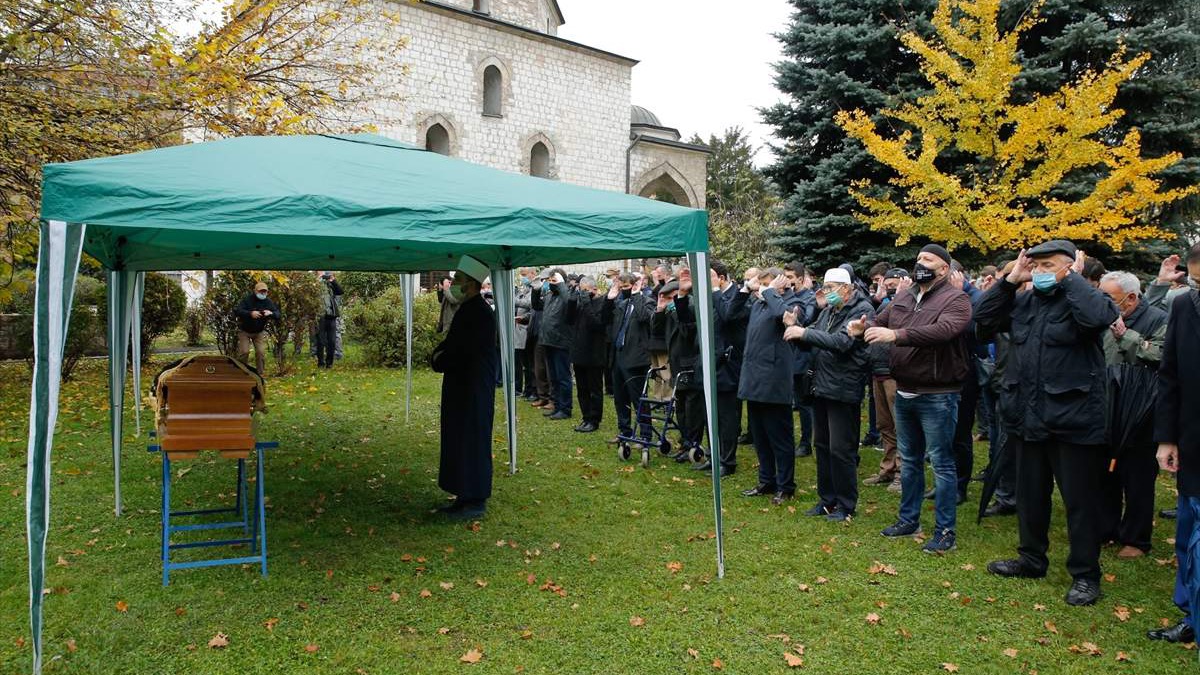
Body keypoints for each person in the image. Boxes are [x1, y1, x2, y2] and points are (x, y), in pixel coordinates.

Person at [975, 241, 1117, 606]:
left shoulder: (1082, 299)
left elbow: (1099, 317)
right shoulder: (1025, 302)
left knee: (1079, 503)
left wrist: (1072, 280)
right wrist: (1009, 281)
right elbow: (982, 320)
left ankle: (1086, 575)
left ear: (1070, 267)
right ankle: (1031, 558)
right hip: (1029, 417)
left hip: (1074, 420)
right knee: (1030, 495)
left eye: (1048, 265)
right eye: (1035, 265)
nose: (1039, 272)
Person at [850, 244, 971, 552]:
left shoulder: (955, 299)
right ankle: (909, 519)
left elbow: (945, 330)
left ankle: (945, 531)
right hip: (904, 389)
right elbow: (882, 318)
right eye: (918, 259)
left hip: (938, 394)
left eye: (928, 260)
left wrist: (897, 336)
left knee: (942, 463)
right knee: (912, 460)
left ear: (943, 268)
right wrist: (864, 327)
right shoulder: (904, 296)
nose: (920, 263)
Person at [785, 267, 874, 521]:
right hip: (822, 385)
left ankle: (846, 504)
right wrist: (797, 330)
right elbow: (815, 336)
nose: (826, 293)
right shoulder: (828, 311)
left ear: (846, 289)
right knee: (822, 445)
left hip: (843, 388)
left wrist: (805, 333)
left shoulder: (862, 311)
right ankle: (827, 500)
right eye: (825, 287)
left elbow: (842, 343)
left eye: (831, 288)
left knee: (841, 449)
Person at [1149, 242, 1200, 644]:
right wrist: (1166, 437)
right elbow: (1170, 375)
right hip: (1192, 441)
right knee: (1189, 533)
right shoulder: (1185, 306)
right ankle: (1191, 612)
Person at [1099, 270, 1168, 559]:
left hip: (1142, 409)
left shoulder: (1159, 319)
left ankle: (1136, 539)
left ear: (1130, 298)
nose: (1103, 302)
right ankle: (1107, 529)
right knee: (1105, 472)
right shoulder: (1100, 317)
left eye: (1108, 298)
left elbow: (1162, 355)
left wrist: (1126, 335)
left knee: (1138, 475)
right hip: (1106, 404)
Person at [431, 255, 498, 520]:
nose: (453, 284)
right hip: (463, 384)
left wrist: (439, 359)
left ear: (470, 284)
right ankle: (463, 493)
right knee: (461, 438)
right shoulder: (470, 309)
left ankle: (474, 499)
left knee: (472, 440)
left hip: (473, 387)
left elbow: (461, 350)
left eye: (458, 280)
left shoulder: (478, 312)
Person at [740, 268, 802, 506]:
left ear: (781, 284)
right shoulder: (758, 304)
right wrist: (747, 289)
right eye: (761, 283)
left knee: (780, 438)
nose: (762, 288)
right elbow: (733, 314)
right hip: (753, 378)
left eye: (767, 283)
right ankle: (766, 480)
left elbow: (785, 317)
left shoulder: (790, 301)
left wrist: (771, 293)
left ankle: (786, 485)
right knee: (761, 437)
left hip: (774, 380)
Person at [692, 260, 749, 477]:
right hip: (708, 364)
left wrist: (715, 289)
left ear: (721, 278)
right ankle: (713, 456)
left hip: (728, 366)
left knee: (727, 418)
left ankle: (728, 460)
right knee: (710, 416)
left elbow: (728, 316)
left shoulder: (738, 296)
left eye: (709, 277)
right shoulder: (710, 297)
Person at [862, 269, 909, 491]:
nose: (889, 286)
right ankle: (887, 468)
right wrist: (880, 297)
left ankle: (902, 472)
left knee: (900, 424)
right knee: (884, 424)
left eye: (893, 283)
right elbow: (873, 321)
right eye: (886, 282)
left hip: (894, 372)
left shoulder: (908, 302)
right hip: (877, 369)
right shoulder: (885, 301)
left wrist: (901, 297)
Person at [605, 273, 654, 442]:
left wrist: (637, 294)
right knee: (620, 397)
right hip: (619, 355)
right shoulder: (622, 304)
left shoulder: (647, 301)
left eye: (626, 287)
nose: (623, 290)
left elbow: (643, 317)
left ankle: (645, 434)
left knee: (638, 398)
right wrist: (610, 299)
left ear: (634, 286)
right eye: (622, 287)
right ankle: (624, 432)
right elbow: (605, 319)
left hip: (636, 358)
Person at [784, 262, 818, 457]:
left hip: (802, 357)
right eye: (785, 277)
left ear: (799, 278)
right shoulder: (787, 296)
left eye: (790, 278)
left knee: (804, 402)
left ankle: (806, 443)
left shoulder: (809, 297)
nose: (787, 281)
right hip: (787, 355)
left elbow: (806, 322)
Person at [567, 276, 607, 433]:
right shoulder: (580, 304)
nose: (583, 294)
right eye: (581, 290)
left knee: (594, 389)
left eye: (586, 291)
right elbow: (569, 319)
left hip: (595, 353)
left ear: (594, 289)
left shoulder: (602, 303)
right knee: (582, 388)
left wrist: (586, 302)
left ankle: (594, 419)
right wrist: (571, 298)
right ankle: (586, 417)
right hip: (579, 351)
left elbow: (596, 324)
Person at [532, 269, 572, 420]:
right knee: (554, 377)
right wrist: (536, 290)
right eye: (550, 281)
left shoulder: (566, 294)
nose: (551, 284)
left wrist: (561, 285)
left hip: (561, 341)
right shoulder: (550, 295)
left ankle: (566, 408)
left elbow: (570, 303)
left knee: (563, 377)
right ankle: (557, 405)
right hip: (547, 341)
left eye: (554, 281)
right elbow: (537, 306)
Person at [234, 281, 281, 375]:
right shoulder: (247, 300)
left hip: (259, 331)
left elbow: (278, 314)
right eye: (260, 291)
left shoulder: (268, 302)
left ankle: (260, 374)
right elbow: (238, 310)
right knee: (244, 352)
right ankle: (241, 372)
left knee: (261, 352)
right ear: (255, 291)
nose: (263, 294)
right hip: (245, 331)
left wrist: (271, 313)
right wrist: (250, 313)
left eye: (265, 292)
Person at [514, 268, 537, 399]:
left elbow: (530, 305)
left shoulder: (536, 288)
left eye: (524, 275)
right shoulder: (525, 288)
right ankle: (527, 390)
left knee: (530, 364)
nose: (522, 278)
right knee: (524, 364)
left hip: (528, 329)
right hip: (520, 329)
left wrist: (513, 300)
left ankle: (533, 390)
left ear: (532, 274)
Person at [315, 271, 343, 369]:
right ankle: (321, 363)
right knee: (321, 341)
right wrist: (318, 279)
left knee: (331, 341)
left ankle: (329, 363)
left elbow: (340, 291)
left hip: (331, 315)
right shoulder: (315, 284)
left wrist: (333, 280)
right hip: (320, 316)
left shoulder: (330, 284)